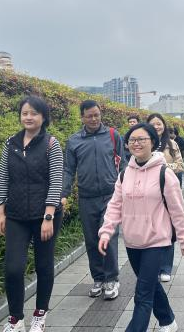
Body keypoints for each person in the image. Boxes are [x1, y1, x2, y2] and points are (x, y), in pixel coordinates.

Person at [98, 123, 184, 332]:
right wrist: (106, 232)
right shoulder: (125, 174)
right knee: (150, 285)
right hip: (132, 241)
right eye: (132, 140)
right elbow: (115, 205)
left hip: (157, 241)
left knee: (142, 294)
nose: (136, 143)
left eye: (142, 139)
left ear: (153, 142)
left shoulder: (164, 174)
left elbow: (177, 210)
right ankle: (168, 320)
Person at [0, 96, 63, 332]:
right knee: (13, 268)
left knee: (43, 265)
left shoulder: (51, 144)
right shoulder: (11, 143)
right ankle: (15, 319)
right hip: (16, 215)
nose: (28, 117)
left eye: (34, 113)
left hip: (45, 214)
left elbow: (56, 181)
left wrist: (48, 216)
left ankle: (40, 314)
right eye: (25, 113)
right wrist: (0, 211)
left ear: (43, 117)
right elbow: (3, 177)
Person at [62, 100, 125, 300]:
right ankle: (98, 278)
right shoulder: (74, 141)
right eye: (89, 116)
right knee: (91, 239)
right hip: (87, 197)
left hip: (110, 196)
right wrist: (63, 195)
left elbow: (123, 164)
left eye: (96, 115)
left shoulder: (113, 135)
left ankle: (111, 279)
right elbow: (68, 170)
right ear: (82, 117)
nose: (94, 119)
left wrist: (127, 190)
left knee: (109, 237)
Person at [147, 113, 184, 282]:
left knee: (169, 229)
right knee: (152, 229)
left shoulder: (171, 143)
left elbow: (180, 165)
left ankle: (166, 267)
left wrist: (162, 167)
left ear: (164, 125)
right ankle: (153, 266)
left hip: (168, 191)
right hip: (149, 193)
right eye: (153, 124)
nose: (156, 127)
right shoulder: (144, 143)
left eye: (159, 123)